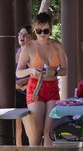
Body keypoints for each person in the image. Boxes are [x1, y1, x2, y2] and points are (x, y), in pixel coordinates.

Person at [16, 12, 68, 146]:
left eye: (45, 30)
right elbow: (19, 72)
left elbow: (65, 70)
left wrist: (55, 72)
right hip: (35, 89)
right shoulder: (28, 47)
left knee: (50, 131)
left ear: (50, 29)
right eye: (39, 31)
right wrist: (31, 70)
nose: (42, 34)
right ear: (34, 29)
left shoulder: (57, 45)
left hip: (52, 88)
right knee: (36, 133)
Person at [15, 25, 33, 146]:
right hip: (16, 93)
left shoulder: (32, 52)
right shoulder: (15, 52)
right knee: (17, 129)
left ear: (31, 37)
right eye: (20, 34)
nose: (22, 37)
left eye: (25, 35)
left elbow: (38, 72)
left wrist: (22, 82)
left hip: (28, 92)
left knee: (30, 129)